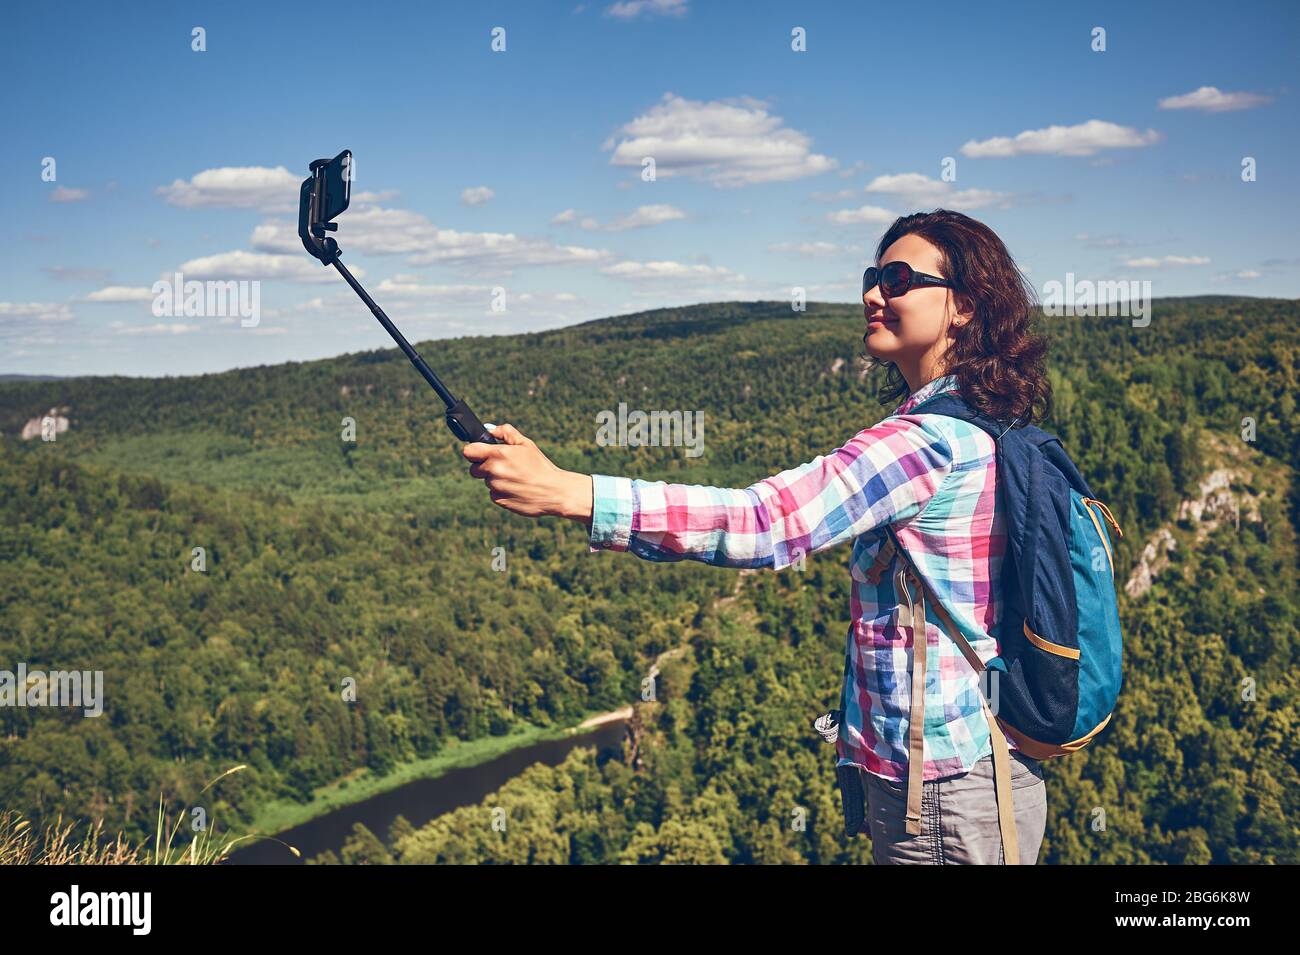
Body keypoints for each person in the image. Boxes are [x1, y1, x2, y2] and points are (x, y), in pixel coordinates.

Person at [461, 208, 1053, 865]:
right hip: (970, 774)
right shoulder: (983, 422)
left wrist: (573, 493)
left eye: (896, 278)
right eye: (871, 275)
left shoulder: (924, 442)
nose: (870, 294)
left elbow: (769, 523)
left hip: (945, 792)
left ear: (964, 305)